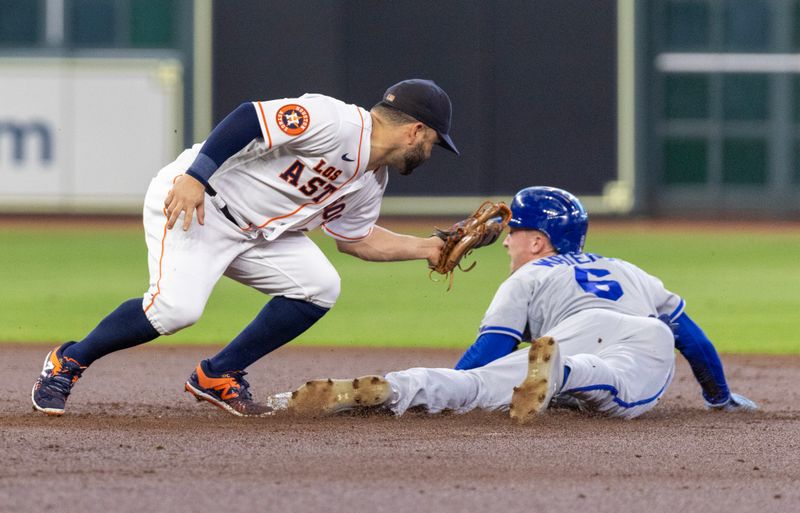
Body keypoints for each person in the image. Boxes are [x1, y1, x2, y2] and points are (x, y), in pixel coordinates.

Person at [31, 79, 459, 417]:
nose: (430, 152)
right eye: (434, 142)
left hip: (257, 234)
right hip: (200, 203)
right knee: (175, 311)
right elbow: (248, 118)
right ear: (415, 130)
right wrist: (195, 177)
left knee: (319, 285)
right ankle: (69, 360)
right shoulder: (337, 121)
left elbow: (357, 239)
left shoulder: (371, 181)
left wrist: (425, 248)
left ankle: (218, 375)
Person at [280, 186, 757, 422]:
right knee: (615, 382)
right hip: (638, 336)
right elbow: (688, 336)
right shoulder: (626, 268)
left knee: (485, 382)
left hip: (564, 337)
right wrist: (719, 396)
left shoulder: (528, 276)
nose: (506, 242)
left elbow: (487, 353)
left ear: (538, 241)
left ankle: (397, 388)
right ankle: (565, 373)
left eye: (514, 233)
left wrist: (465, 383)